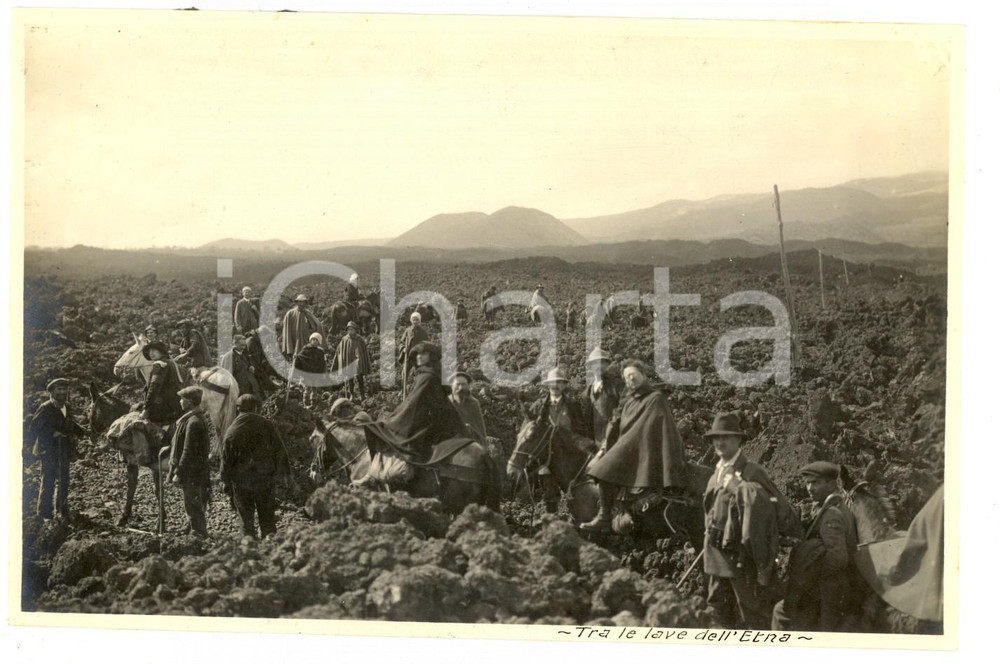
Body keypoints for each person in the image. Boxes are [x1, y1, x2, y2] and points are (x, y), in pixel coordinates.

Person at [701, 411, 790, 629]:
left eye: (726, 437)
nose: (720, 442)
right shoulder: (716, 474)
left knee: (752, 611)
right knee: (716, 608)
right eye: (716, 438)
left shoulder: (751, 471)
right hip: (715, 554)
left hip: (741, 556)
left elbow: (771, 508)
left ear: (738, 440)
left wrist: (739, 489)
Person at [581, 359, 685, 532]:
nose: (631, 379)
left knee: (605, 467)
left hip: (649, 448)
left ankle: (606, 515)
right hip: (630, 445)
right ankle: (609, 513)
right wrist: (603, 450)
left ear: (643, 375)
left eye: (634, 375)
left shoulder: (655, 398)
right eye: (627, 377)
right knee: (602, 464)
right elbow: (615, 423)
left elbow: (651, 427)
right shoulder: (628, 400)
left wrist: (625, 443)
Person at [772, 461, 859, 631]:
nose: (810, 488)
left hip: (828, 591)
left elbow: (838, 559)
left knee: (784, 615)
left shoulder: (832, 515)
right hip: (825, 589)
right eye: (808, 483)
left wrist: (811, 572)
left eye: (816, 483)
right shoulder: (825, 507)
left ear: (832, 484)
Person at [363, 342, 463, 465]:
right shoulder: (430, 373)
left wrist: (393, 418)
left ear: (431, 356)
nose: (419, 357)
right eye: (418, 354)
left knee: (400, 433)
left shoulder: (428, 376)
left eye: (424, 353)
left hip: (435, 420)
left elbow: (413, 404)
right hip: (439, 416)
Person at [220, 394, 291, 539]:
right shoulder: (266, 425)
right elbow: (280, 450)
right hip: (264, 480)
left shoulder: (232, 430)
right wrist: (286, 474)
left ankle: (249, 550)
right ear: (256, 408)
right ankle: (272, 550)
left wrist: (226, 481)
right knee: (267, 520)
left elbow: (226, 460)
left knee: (246, 522)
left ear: (238, 409)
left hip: (242, 482)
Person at [29, 378, 87, 519]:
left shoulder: (67, 406)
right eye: (58, 389)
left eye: (64, 389)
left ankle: (62, 510)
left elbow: (70, 423)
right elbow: (35, 427)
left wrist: (83, 432)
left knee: (64, 479)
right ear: (52, 392)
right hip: (49, 450)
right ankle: (44, 514)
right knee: (48, 480)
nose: (62, 392)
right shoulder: (45, 407)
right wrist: (52, 433)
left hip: (64, 449)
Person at [168, 386, 211, 538]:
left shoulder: (192, 422)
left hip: (192, 471)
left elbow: (188, 451)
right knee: (193, 501)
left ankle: (199, 534)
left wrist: (178, 473)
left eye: (182, 399)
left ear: (189, 402)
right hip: (198, 469)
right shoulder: (196, 418)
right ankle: (192, 529)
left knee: (192, 503)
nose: (180, 402)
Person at [580, 347, 622, 451]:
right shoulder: (586, 393)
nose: (599, 366)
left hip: (616, 441)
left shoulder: (617, 386)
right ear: (590, 367)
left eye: (602, 362)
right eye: (595, 363)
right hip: (596, 443)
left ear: (607, 365)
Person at [142, 341, 184, 430]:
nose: (151, 353)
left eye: (154, 350)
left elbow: (154, 387)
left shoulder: (159, 365)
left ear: (161, 351)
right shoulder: (171, 363)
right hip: (175, 406)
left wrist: (146, 408)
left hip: (162, 408)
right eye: (149, 351)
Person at [335, 321, 371, 400]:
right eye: (349, 330)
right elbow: (339, 349)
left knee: (359, 377)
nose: (350, 331)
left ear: (355, 330)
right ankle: (352, 394)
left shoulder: (359, 339)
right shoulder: (345, 339)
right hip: (348, 361)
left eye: (352, 329)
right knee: (350, 378)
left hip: (357, 361)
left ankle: (362, 395)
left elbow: (364, 351)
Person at [448, 371, 487, 445]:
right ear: (451, 386)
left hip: (470, 443)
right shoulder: (446, 403)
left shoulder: (474, 404)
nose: (461, 388)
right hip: (450, 443)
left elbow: (480, 430)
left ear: (468, 386)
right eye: (458, 384)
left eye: (463, 384)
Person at [281, 294, 323, 359]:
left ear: (305, 303)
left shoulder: (307, 313)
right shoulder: (290, 313)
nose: (301, 304)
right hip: (294, 338)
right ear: (297, 303)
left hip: (305, 337)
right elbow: (286, 329)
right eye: (300, 302)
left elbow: (316, 324)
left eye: (303, 302)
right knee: (295, 356)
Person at [221, 335, 262, 400]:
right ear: (235, 344)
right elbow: (227, 375)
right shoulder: (228, 357)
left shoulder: (244, 355)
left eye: (244, 345)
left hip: (249, 388)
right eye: (241, 345)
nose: (243, 347)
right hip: (238, 390)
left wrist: (250, 368)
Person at [294, 332, 327, 408]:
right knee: (307, 388)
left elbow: (322, 363)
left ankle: (313, 403)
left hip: (315, 374)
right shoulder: (305, 350)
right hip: (307, 373)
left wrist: (322, 373)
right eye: (313, 339)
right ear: (310, 340)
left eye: (316, 340)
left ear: (319, 342)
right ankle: (306, 403)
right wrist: (296, 358)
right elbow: (300, 358)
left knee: (314, 389)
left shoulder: (320, 352)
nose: (314, 341)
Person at [397, 311, 429, 391]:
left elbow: (427, 344)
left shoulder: (423, 332)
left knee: (420, 374)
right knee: (404, 373)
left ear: (419, 321)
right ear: (411, 320)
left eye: (417, 320)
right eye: (414, 320)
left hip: (418, 357)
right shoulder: (408, 331)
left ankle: (418, 390)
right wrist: (403, 348)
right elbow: (401, 342)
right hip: (408, 356)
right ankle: (403, 390)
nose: (415, 322)